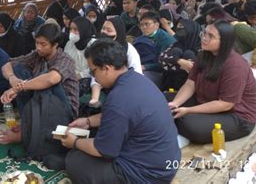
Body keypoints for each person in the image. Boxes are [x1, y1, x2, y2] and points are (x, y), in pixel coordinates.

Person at [62, 39, 180, 184]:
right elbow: (122, 115)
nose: (94, 77)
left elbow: (104, 150)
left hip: (148, 175)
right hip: (167, 163)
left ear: (106, 68)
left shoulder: (119, 97)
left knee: (75, 160)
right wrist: (88, 121)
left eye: (94, 71)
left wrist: (75, 142)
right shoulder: (138, 79)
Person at [168, 20, 256, 144]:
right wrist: (175, 104)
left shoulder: (236, 65)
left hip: (236, 116)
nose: (204, 38)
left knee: (188, 123)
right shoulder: (204, 55)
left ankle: (171, 122)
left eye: (210, 36)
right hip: (207, 100)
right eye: (204, 33)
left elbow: (226, 104)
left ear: (225, 41)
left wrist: (189, 110)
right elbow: (190, 84)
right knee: (165, 99)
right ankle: (171, 119)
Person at [0, 23, 79, 144]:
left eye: (43, 44)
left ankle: (27, 133)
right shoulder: (37, 55)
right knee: (19, 69)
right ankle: (29, 123)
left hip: (63, 111)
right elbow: (7, 65)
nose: (38, 48)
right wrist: (13, 79)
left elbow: (51, 79)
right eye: (37, 43)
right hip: (44, 104)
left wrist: (18, 88)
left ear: (55, 45)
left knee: (46, 78)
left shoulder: (65, 60)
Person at [204, 7, 256, 89]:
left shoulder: (238, 27)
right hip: (246, 67)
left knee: (228, 76)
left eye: (211, 22)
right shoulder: (219, 34)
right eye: (208, 23)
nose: (209, 26)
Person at [90, 17, 143, 107]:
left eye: (109, 30)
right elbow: (95, 76)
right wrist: (95, 99)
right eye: (103, 29)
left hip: (125, 87)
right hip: (102, 86)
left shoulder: (129, 49)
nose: (104, 32)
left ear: (118, 32)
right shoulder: (97, 47)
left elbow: (137, 73)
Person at [134, 12, 176, 88]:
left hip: (162, 73)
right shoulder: (143, 37)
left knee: (140, 80)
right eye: (141, 25)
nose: (143, 27)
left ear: (157, 25)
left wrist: (145, 67)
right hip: (142, 66)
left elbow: (164, 64)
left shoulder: (166, 40)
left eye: (147, 24)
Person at [159, 19, 201, 91]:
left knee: (188, 54)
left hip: (192, 87)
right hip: (170, 84)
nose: (179, 29)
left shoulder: (201, 48)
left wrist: (173, 63)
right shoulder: (176, 44)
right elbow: (162, 58)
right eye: (178, 26)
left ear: (191, 29)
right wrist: (179, 61)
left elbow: (195, 68)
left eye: (182, 26)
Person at [64, 17, 97, 96]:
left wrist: (80, 75)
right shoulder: (69, 44)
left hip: (88, 78)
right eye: (70, 29)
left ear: (83, 30)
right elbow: (65, 61)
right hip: (71, 76)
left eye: (75, 29)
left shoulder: (94, 45)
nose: (72, 32)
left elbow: (95, 68)